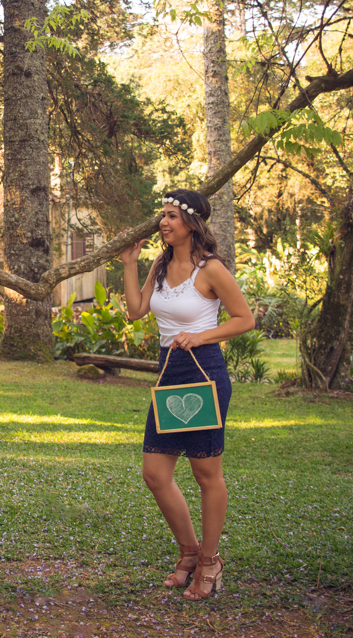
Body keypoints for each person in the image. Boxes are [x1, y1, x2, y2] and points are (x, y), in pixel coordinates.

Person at [119, 189, 255, 601]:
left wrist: (199, 336)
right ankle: (190, 553)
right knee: (155, 474)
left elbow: (244, 319)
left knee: (205, 474)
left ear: (192, 224)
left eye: (172, 216)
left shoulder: (211, 269)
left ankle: (210, 562)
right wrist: (129, 263)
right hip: (168, 372)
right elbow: (136, 310)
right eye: (162, 215)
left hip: (203, 373)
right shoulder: (160, 264)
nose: (163, 222)